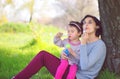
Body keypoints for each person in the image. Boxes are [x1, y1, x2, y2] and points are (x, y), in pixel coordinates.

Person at [12, 15, 106, 79]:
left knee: (43, 56)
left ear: (97, 26)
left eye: (90, 22)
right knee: (43, 55)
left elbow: (84, 67)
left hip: (78, 76)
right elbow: (77, 59)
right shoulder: (84, 42)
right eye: (84, 22)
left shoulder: (99, 45)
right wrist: (63, 55)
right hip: (70, 69)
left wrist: (83, 44)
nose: (86, 24)